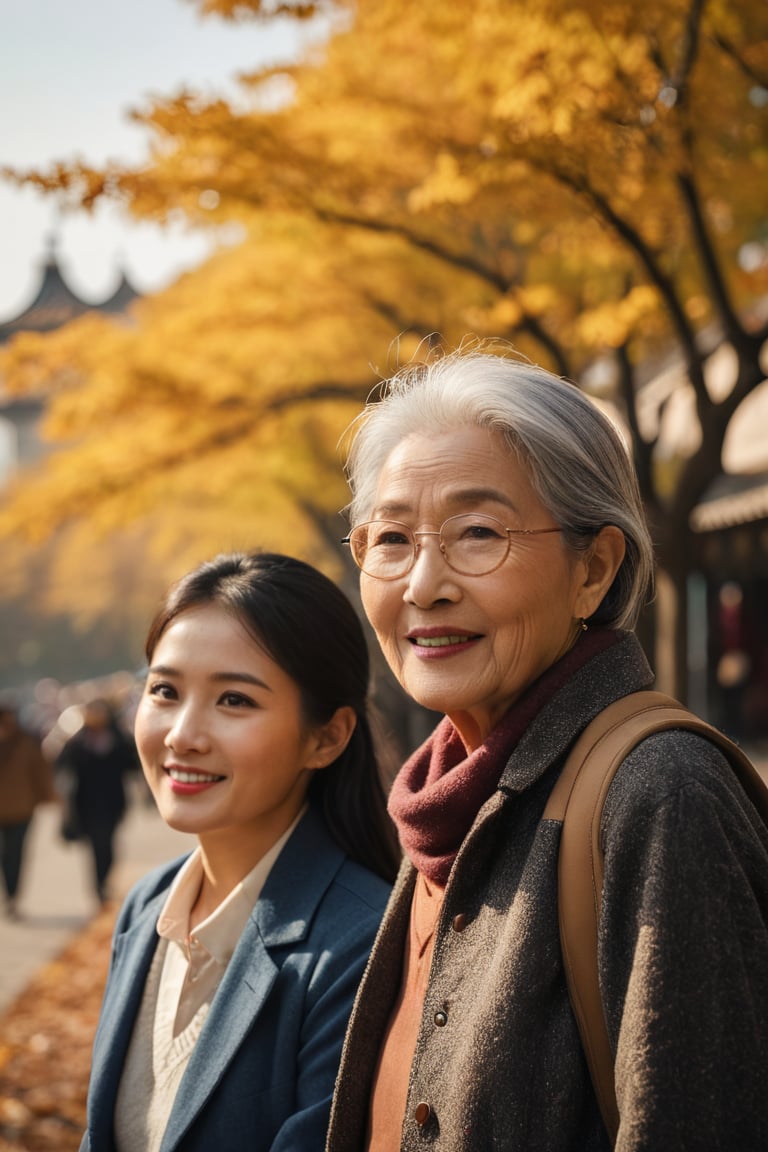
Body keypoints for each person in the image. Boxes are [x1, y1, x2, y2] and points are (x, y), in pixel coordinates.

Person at [327, 347, 768, 1151]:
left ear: (593, 570)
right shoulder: (442, 796)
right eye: (391, 537)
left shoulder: (661, 794)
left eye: (477, 532)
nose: (424, 583)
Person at [80, 551, 399, 1152]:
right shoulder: (148, 906)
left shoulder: (361, 945)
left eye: (235, 701)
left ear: (326, 738)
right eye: (165, 690)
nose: (182, 735)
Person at [56, 697, 139, 904]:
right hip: (86, 804)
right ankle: (99, 886)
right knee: (96, 847)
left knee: (109, 846)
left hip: (113, 803)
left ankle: (105, 878)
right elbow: (61, 766)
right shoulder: (77, 742)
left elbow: (133, 764)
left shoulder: (118, 739)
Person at [0, 700, 57, 919]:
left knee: (15, 855)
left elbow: (40, 770)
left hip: (22, 810)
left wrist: (48, 796)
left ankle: (12, 896)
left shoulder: (26, 741)